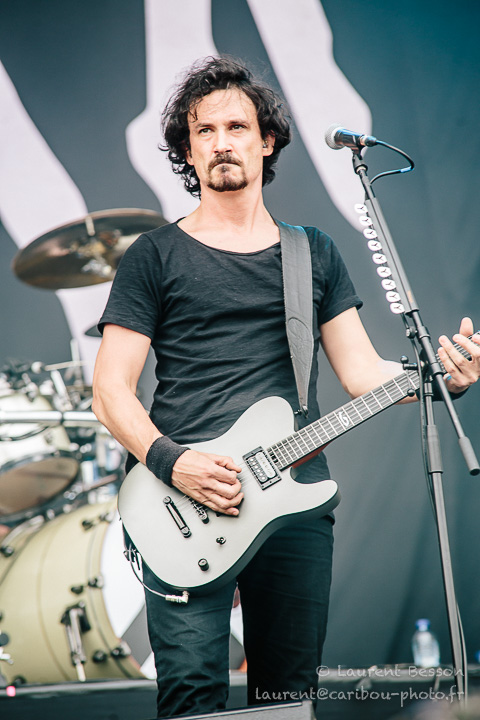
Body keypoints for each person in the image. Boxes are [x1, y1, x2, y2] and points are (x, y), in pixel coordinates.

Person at [92, 56, 480, 718]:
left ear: (267, 140)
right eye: (204, 131)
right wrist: (174, 463)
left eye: (237, 127)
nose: (221, 142)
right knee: (191, 700)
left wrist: (444, 378)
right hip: (181, 500)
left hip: (293, 506)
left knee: (287, 698)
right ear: (187, 150)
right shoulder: (153, 255)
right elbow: (110, 390)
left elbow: (364, 375)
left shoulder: (312, 252)